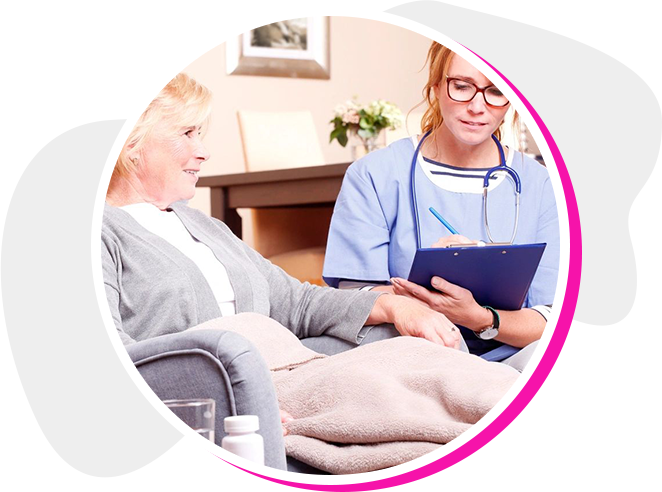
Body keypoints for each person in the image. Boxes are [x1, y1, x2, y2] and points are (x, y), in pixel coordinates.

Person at [102, 72, 463, 368]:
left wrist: (392, 304)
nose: (204, 151)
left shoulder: (202, 225)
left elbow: (297, 302)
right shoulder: (101, 233)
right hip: (225, 386)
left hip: (283, 364)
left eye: (201, 134)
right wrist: (235, 395)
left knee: (422, 341)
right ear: (132, 141)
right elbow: (113, 352)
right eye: (187, 133)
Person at [322, 42, 560, 371]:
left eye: (496, 91)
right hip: (412, 351)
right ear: (436, 86)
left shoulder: (540, 184)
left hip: (514, 357)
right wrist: (424, 298)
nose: (478, 106)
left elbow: (550, 317)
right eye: (461, 86)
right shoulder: (375, 174)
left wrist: (480, 318)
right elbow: (352, 298)